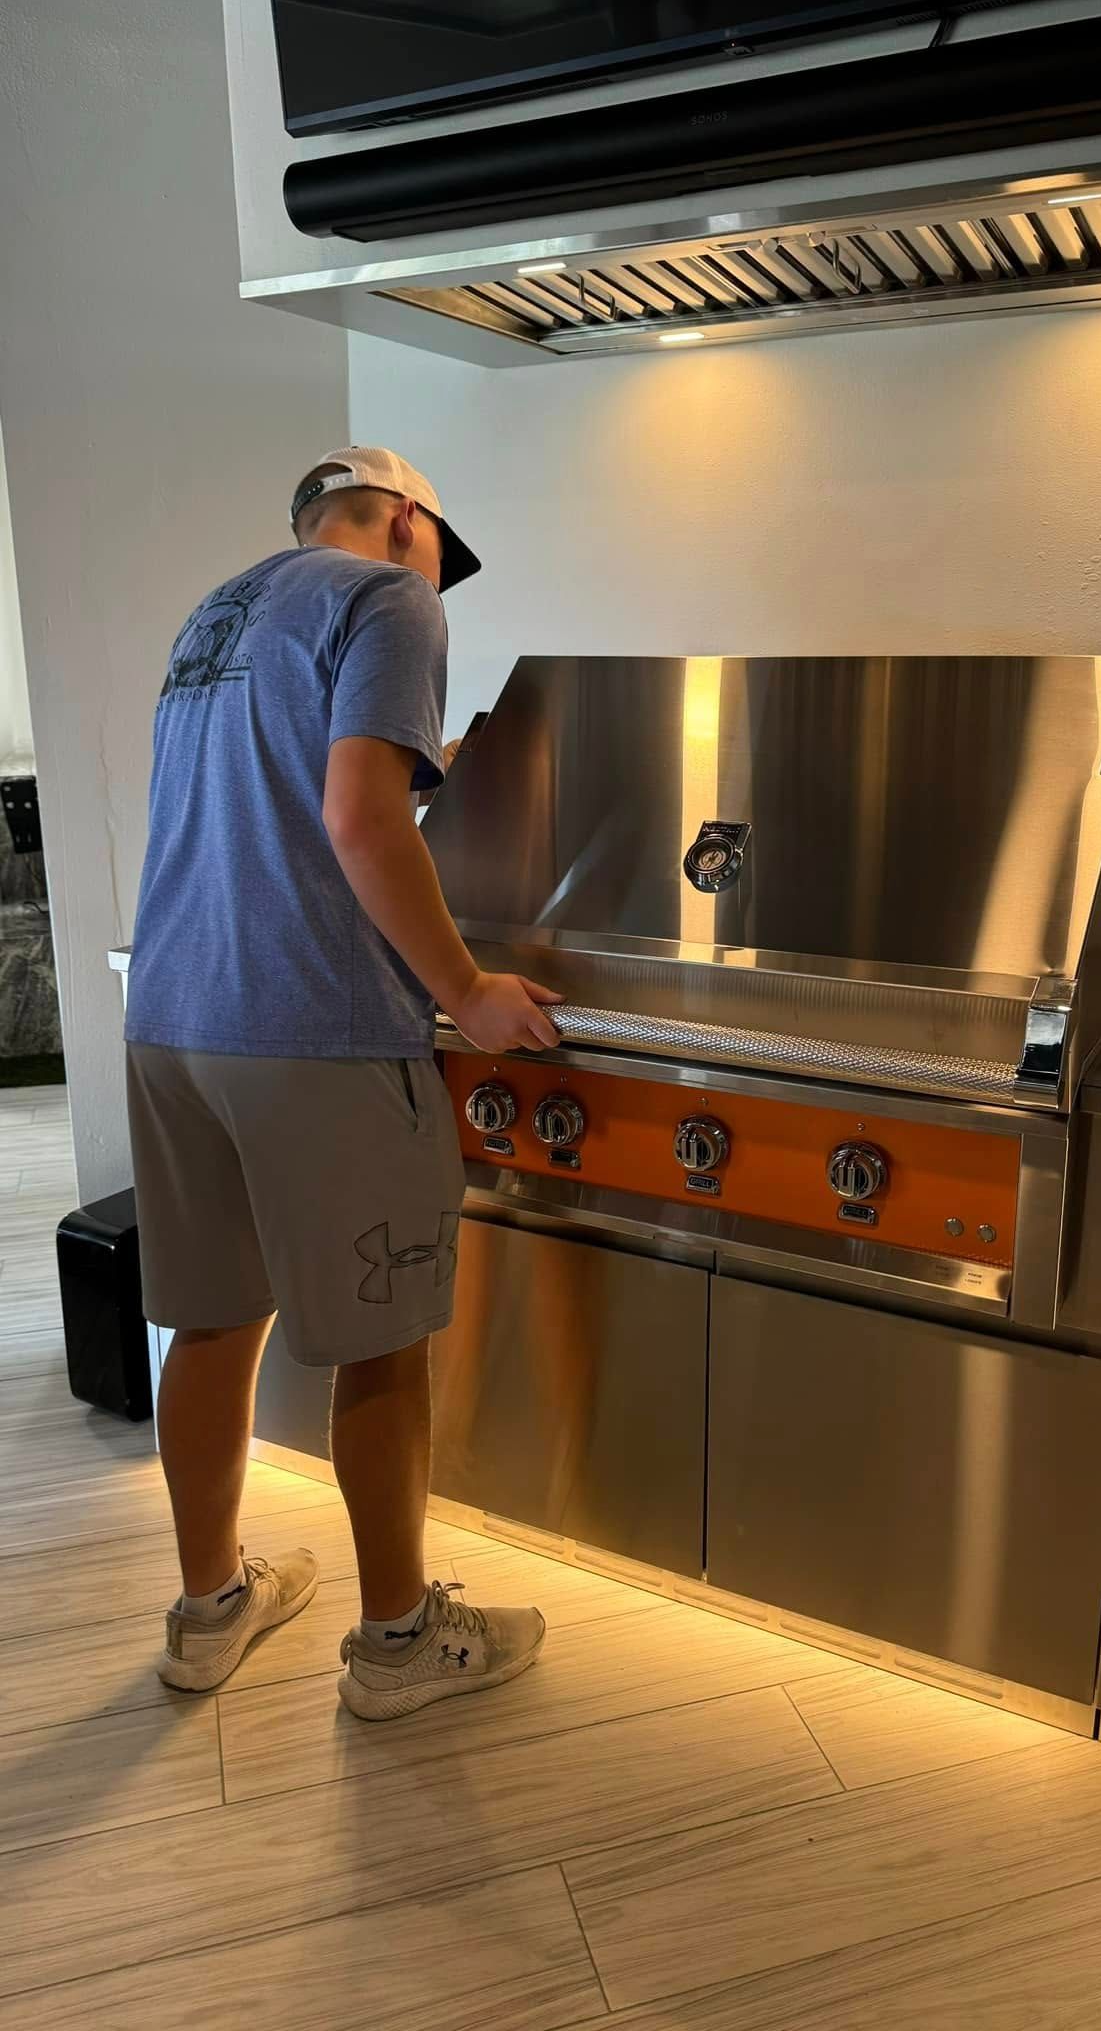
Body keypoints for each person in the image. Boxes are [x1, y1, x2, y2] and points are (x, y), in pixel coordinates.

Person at [124, 445, 561, 1721]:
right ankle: (399, 1640)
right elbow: (361, 818)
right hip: (313, 1025)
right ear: (408, 519)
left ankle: (209, 1607)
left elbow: (259, 803)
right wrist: (466, 990)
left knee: (212, 1323)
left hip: (172, 1017)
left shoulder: (217, 612)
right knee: (379, 1341)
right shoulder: (390, 597)